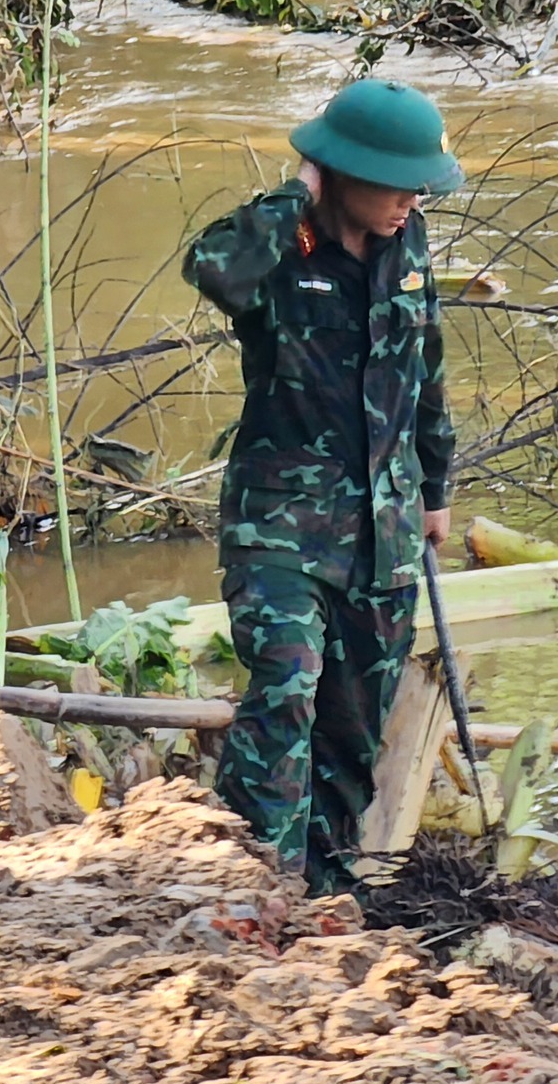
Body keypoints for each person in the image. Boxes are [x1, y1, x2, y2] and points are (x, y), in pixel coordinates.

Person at [183, 79, 460, 894]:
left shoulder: (408, 249)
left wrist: (435, 489)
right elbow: (213, 269)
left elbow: (426, 374)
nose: (411, 201)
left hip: (385, 533)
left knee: (351, 721)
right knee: (288, 683)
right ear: (340, 171)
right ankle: (256, 873)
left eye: (419, 187)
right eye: (397, 183)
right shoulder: (283, 245)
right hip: (281, 529)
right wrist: (295, 189)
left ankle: (323, 883)